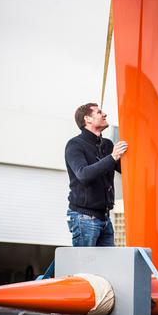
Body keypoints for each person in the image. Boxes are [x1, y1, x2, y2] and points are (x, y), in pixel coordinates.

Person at [65, 103, 128, 247]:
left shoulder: (107, 145)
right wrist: (112, 157)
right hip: (84, 218)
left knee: (105, 268)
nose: (105, 114)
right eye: (99, 112)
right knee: (84, 268)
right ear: (88, 119)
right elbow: (83, 174)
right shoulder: (74, 145)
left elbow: (129, 171)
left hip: (105, 218)